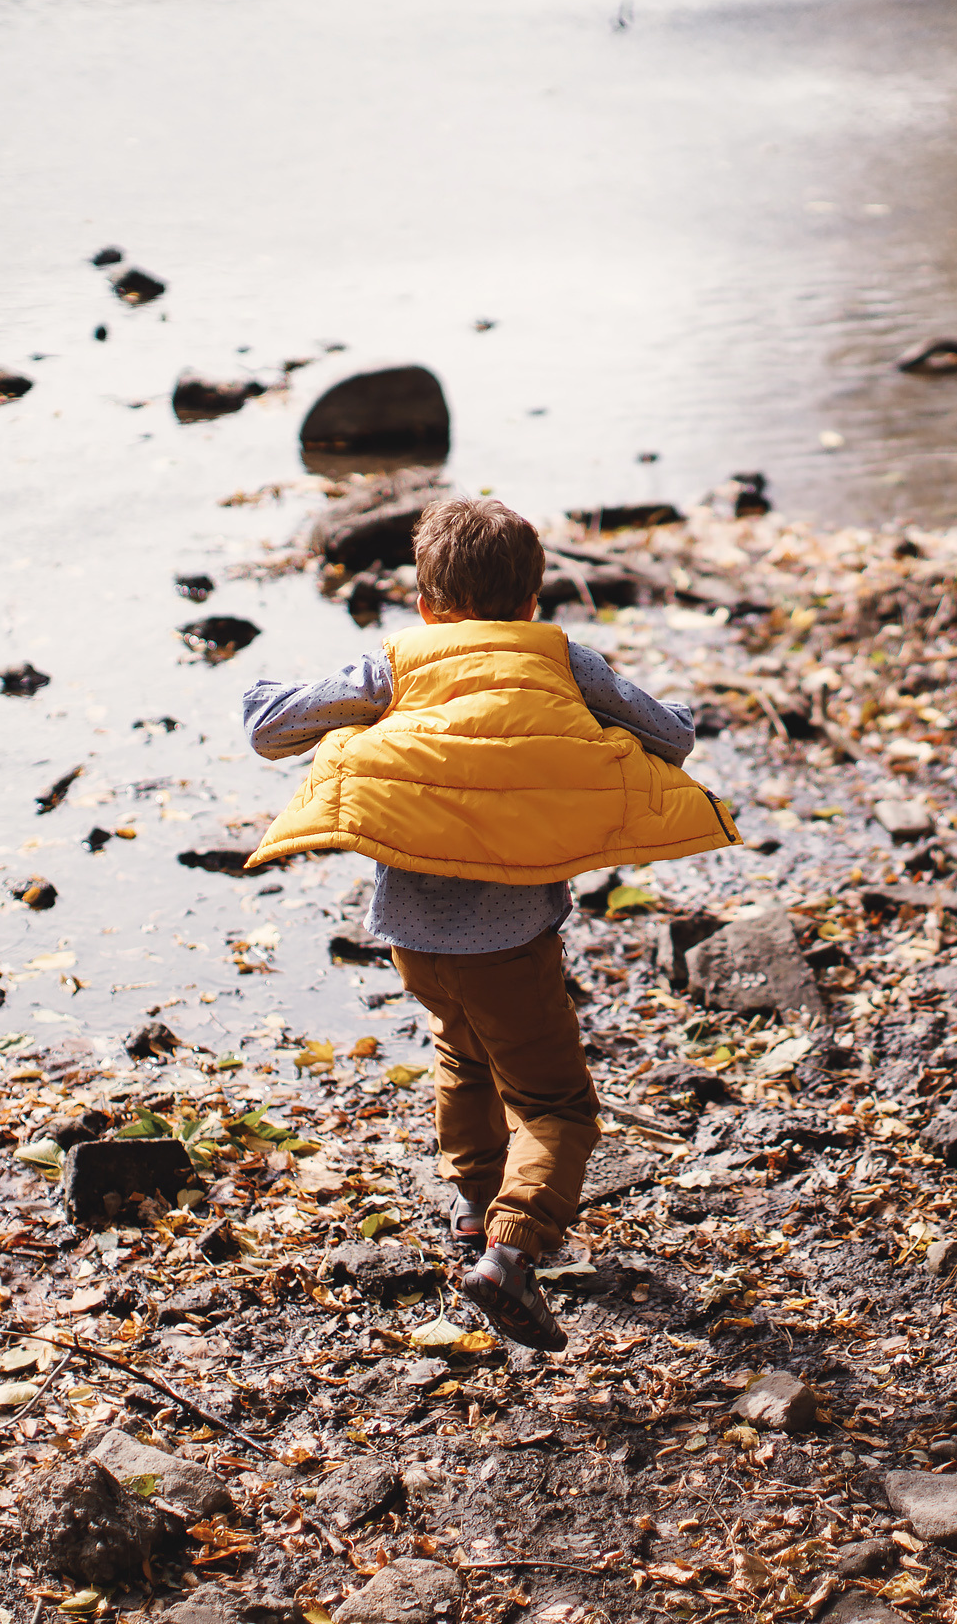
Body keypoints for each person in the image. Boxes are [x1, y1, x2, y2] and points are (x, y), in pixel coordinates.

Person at [240, 497, 741, 1351]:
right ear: (533, 603)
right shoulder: (561, 660)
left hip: (412, 933)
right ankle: (510, 1251)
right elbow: (673, 737)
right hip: (508, 936)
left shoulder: (395, 663)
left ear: (428, 604)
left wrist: (274, 689)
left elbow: (269, 726)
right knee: (557, 1108)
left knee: (461, 1055)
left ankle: (472, 1214)